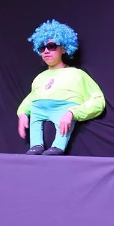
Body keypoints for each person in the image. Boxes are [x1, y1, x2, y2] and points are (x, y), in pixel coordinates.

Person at [17, 20, 105, 155]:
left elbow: (98, 101)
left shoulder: (77, 74)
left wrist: (73, 112)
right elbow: (30, 99)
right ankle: (35, 145)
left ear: (63, 48)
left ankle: (58, 146)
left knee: (63, 122)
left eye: (51, 46)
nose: (46, 51)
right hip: (38, 110)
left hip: (64, 110)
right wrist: (22, 113)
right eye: (42, 48)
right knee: (35, 116)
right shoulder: (39, 78)